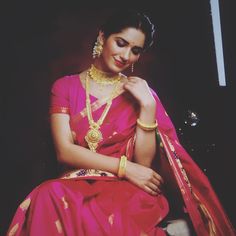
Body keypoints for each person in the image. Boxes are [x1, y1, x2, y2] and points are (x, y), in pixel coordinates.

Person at [6, 9, 235, 236]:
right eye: (121, 43)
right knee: (48, 193)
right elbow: (64, 151)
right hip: (75, 183)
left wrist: (147, 106)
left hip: (125, 189)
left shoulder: (141, 94)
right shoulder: (64, 87)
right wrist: (125, 168)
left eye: (135, 50)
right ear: (103, 36)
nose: (126, 56)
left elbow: (143, 165)